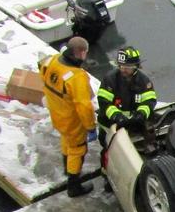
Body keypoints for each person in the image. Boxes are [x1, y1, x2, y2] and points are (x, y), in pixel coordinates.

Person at [39, 36, 96, 197]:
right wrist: (90, 127)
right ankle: (74, 184)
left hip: (57, 113)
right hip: (72, 120)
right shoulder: (77, 77)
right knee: (77, 150)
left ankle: (67, 168)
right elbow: (84, 106)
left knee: (66, 140)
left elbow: (42, 72)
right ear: (81, 53)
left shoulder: (53, 61)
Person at [97, 47, 158, 180]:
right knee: (109, 150)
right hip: (110, 123)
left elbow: (150, 100)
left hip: (133, 123)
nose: (123, 69)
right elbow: (104, 102)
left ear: (136, 66)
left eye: (127, 66)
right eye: (121, 66)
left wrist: (142, 113)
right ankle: (106, 175)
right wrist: (116, 116)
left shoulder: (144, 81)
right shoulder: (110, 79)